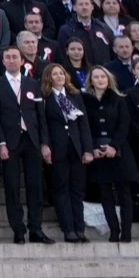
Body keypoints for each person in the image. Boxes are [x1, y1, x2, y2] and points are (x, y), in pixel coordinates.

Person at [0, 45, 50, 244]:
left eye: (15, 57)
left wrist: (44, 142)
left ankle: (36, 228)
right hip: (10, 141)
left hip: (31, 139)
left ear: (22, 61)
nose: (12, 60)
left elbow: (40, 115)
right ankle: (18, 229)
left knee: (35, 186)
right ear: (3, 61)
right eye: (8, 57)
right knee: (12, 187)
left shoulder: (33, 84)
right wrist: (1, 143)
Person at [82, 65, 137, 242]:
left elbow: (124, 124)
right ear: (91, 81)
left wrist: (114, 146)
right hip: (98, 153)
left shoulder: (119, 99)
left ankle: (126, 231)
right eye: (96, 77)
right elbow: (85, 127)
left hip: (119, 152)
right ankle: (114, 230)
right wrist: (92, 147)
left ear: (108, 79)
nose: (100, 80)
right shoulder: (85, 101)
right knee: (105, 193)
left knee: (124, 193)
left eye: (103, 77)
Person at [40, 62, 94, 242]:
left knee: (77, 190)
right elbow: (43, 123)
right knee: (61, 189)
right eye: (55, 74)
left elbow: (83, 124)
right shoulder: (45, 97)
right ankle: (68, 229)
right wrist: (45, 145)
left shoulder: (74, 95)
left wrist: (87, 149)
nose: (59, 77)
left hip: (76, 148)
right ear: (48, 77)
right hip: (58, 148)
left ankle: (80, 228)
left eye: (61, 73)